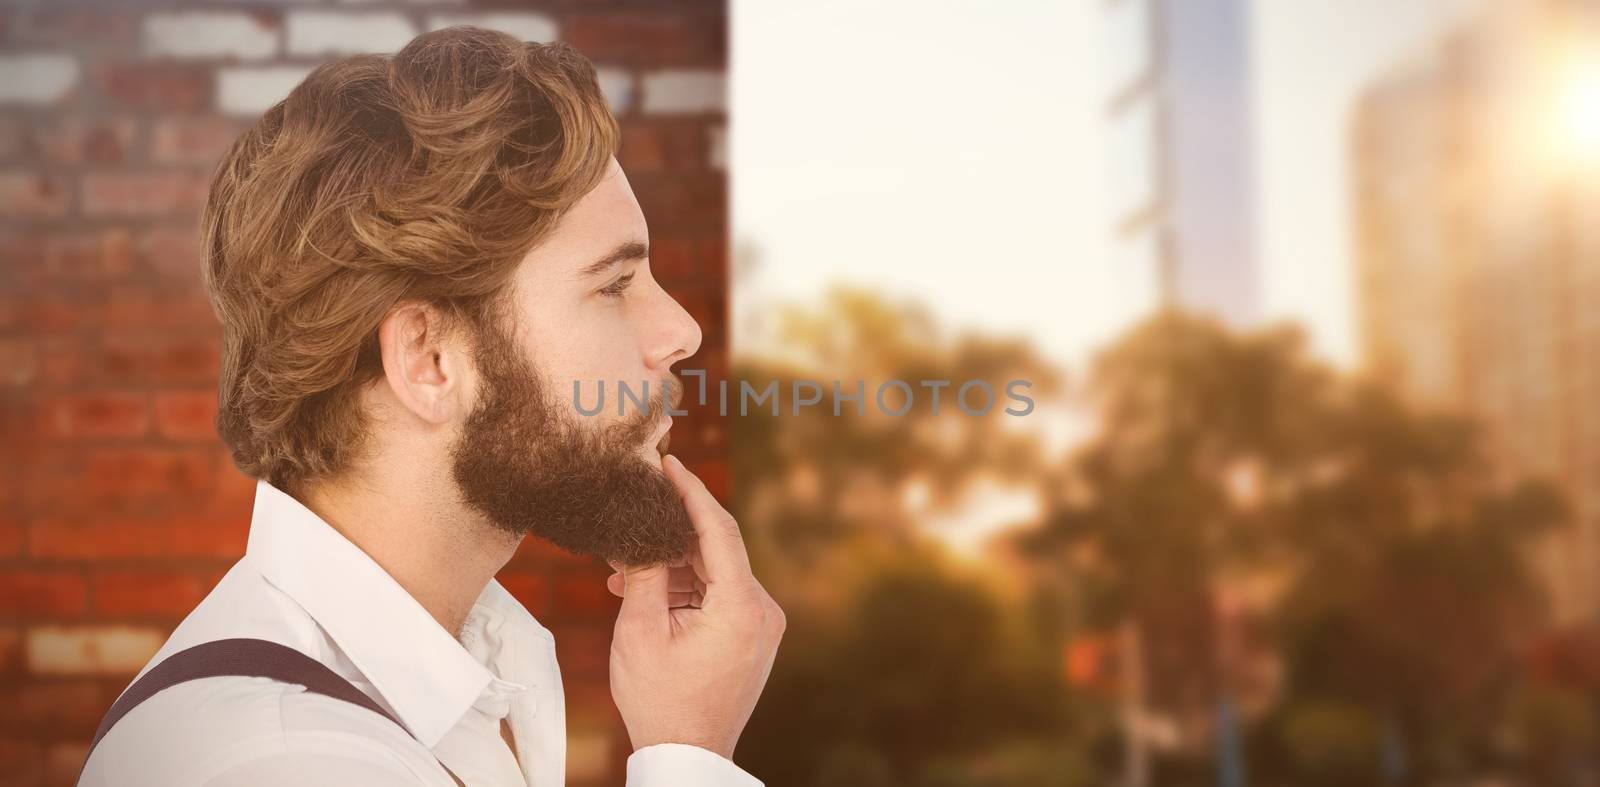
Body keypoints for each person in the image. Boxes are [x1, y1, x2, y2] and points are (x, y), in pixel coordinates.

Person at [76, 26, 784, 787]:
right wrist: (690, 754)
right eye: (613, 285)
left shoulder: (450, 679)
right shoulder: (286, 762)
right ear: (429, 359)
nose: (682, 330)